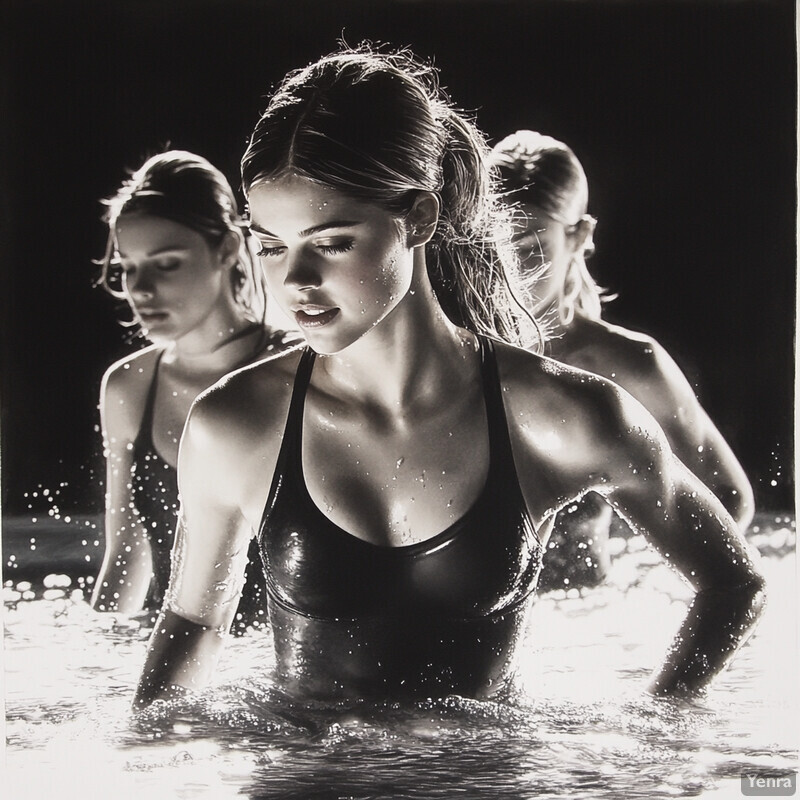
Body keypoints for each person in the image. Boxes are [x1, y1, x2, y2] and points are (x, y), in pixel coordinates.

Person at [134, 47, 764, 709]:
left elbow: (734, 584)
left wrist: (651, 727)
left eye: (332, 241)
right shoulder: (235, 425)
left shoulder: (560, 414)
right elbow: (195, 622)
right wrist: (142, 752)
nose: (294, 282)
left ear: (420, 219)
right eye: (270, 244)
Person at [488, 131, 755, 591]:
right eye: (496, 245)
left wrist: (666, 589)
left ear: (578, 237)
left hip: (586, 616)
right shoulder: (459, 353)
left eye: (532, 248)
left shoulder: (629, 365)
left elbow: (728, 494)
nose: (511, 268)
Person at [90, 150, 300, 631]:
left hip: (280, 666)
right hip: (174, 656)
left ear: (227, 249)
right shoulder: (129, 387)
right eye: (128, 267)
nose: (140, 289)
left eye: (166, 264)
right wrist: (93, 660)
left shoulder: (295, 368)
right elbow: (126, 553)